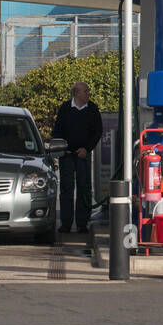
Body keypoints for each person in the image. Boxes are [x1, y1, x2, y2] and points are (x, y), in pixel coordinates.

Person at [51, 81, 103, 233]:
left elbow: (97, 131)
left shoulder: (92, 109)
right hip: (67, 154)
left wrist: (86, 149)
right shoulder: (65, 108)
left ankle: (82, 222)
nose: (88, 94)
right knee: (66, 188)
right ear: (76, 93)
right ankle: (66, 223)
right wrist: (62, 148)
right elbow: (57, 130)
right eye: (85, 91)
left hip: (83, 154)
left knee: (84, 187)